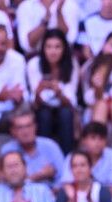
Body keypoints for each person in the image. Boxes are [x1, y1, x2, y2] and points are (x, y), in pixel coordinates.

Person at [28, 29, 79, 157]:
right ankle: (43, 158)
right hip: (41, 109)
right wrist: (39, 91)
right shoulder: (34, 64)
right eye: (49, 47)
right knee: (44, 114)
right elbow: (34, 105)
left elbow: (71, 103)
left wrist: (59, 94)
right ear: (43, 49)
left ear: (64, 49)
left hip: (65, 108)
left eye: (57, 47)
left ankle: (67, 159)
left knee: (65, 113)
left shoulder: (72, 65)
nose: (53, 51)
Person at [1, 108, 67, 189]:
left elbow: (64, 178)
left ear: (35, 127)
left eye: (28, 126)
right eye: (20, 127)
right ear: (13, 131)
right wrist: (39, 175)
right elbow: (7, 183)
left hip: (52, 194)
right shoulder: (8, 150)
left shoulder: (50, 146)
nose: (25, 131)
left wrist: (53, 193)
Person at [82, 42, 112, 149]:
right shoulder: (91, 65)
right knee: (102, 104)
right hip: (95, 110)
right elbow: (88, 99)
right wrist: (97, 89)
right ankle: (96, 147)